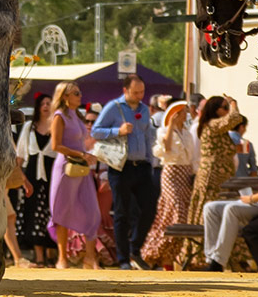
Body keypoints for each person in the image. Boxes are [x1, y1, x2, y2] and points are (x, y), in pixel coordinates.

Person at [92, 74, 157, 268]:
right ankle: (123, 259)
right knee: (122, 213)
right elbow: (95, 131)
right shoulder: (113, 107)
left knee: (149, 208)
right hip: (121, 167)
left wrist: (150, 162)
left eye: (142, 92)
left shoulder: (144, 109)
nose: (139, 96)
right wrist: (117, 131)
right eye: (135, 92)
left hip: (142, 166)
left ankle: (135, 249)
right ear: (125, 90)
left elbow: (147, 136)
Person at [47, 80, 101, 269]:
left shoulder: (77, 116)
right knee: (61, 211)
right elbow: (56, 145)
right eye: (76, 93)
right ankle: (62, 258)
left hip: (81, 168)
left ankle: (90, 257)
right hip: (66, 168)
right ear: (65, 96)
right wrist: (81, 154)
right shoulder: (59, 116)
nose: (80, 96)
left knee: (92, 211)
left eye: (79, 93)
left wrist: (89, 154)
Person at [179, 96, 238, 269]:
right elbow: (235, 118)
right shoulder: (212, 125)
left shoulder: (216, 127)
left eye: (228, 107)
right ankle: (204, 257)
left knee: (223, 214)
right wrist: (234, 104)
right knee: (209, 214)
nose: (227, 110)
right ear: (215, 110)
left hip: (221, 179)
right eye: (225, 107)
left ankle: (219, 256)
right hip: (212, 179)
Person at [140, 99, 197, 268]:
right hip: (171, 172)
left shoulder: (187, 133)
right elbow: (166, 148)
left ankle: (169, 256)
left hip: (185, 172)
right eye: (183, 111)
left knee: (182, 213)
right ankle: (155, 250)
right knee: (174, 209)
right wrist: (171, 125)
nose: (186, 114)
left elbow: (191, 156)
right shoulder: (164, 131)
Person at [199, 165, 258, 271]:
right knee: (210, 208)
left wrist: (251, 198)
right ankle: (211, 260)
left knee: (232, 209)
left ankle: (218, 262)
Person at [14, 92, 57, 265]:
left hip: (52, 174)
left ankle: (51, 252)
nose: (46, 106)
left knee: (51, 212)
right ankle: (39, 256)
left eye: (49, 103)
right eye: (43, 103)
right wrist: (21, 177)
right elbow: (20, 155)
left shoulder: (57, 126)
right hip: (32, 175)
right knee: (33, 213)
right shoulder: (29, 127)